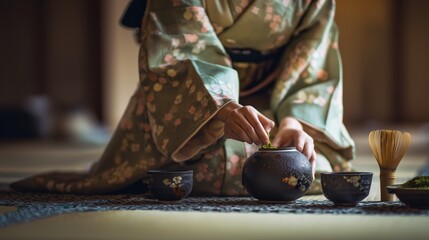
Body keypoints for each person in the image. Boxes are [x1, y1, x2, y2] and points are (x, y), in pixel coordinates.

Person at [11, 0, 355, 195]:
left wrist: (295, 120)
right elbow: (181, 49)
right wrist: (220, 109)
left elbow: (313, 59)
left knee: (310, 169)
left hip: (273, 105)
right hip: (191, 104)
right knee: (176, 176)